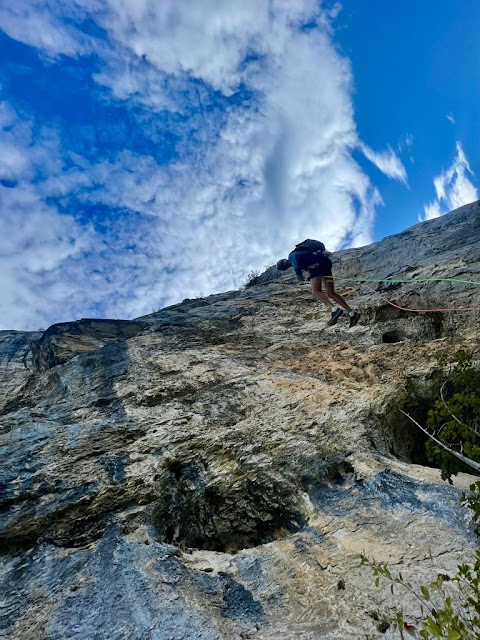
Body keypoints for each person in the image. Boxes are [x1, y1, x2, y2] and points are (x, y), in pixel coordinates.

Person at [276, 239, 360, 328]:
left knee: (316, 291)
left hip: (317, 267)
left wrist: (299, 277)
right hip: (325, 263)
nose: (287, 265)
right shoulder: (305, 254)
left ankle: (334, 309)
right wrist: (310, 277)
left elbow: (296, 265)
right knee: (331, 293)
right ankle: (352, 314)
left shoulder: (291, 256)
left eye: (285, 265)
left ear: (284, 262)